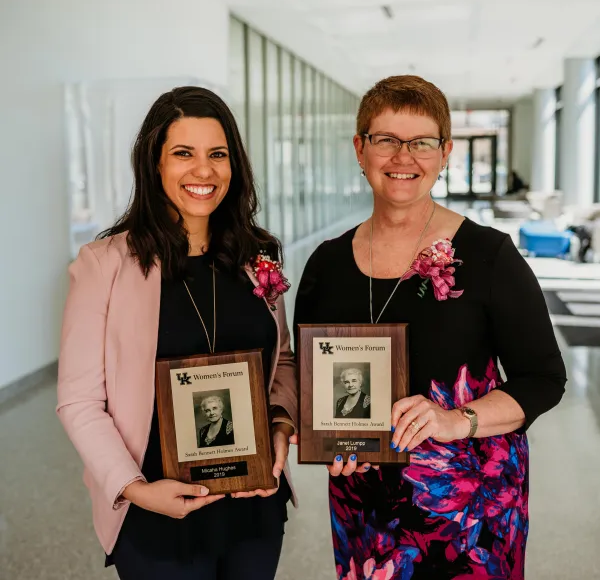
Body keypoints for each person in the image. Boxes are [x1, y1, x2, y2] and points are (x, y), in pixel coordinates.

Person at [294, 75, 567, 580]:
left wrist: (453, 420)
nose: (404, 158)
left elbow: (544, 379)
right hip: (364, 508)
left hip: (471, 512)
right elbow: (315, 379)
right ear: (359, 148)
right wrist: (319, 435)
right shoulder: (325, 266)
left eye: (420, 142)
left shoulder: (490, 257)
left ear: (444, 153)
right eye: (386, 141)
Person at [57, 86, 297, 580]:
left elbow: (284, 361)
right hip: (158, 508)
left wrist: (281, 425)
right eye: (183, 153)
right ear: (154, 164)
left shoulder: (259, 254)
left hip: (251, 504)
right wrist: (134, 489)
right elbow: (79, 400)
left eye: (217, 154)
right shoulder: (104, 266)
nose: (203, 171)